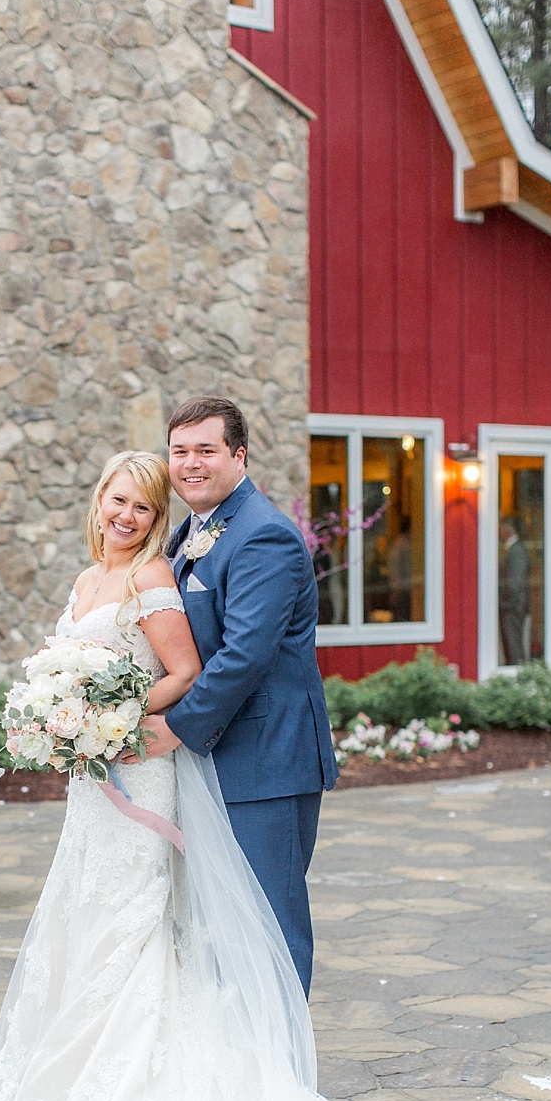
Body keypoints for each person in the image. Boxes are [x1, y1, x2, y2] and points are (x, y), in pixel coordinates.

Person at [0, 447, 447, 1101]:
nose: (129, 515)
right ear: (98, 499)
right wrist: (58, 721)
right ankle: (84, 1080)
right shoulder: (100, 577)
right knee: (93, 916)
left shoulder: (173, 569)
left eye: (144, 506)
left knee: (162, 922)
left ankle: (258, 1091)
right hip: (97, 784)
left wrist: (110, 722)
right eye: (122, 498)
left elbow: (200, 664)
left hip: (145, 766)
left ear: (230, 460)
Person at [140, 395, 338, 996]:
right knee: (219, 922)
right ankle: (233, 1067)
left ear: (239, 455)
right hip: (217, 758)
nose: (191, 463)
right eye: (180, 451)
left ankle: (277, 1080)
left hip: (265, 759)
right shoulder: (189, 533)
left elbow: (245, 655)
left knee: (268, 921)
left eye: (207, 450)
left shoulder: (264, 536)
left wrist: (174, 726)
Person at [499, 516, 531, 664]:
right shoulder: (513, 550)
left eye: (501, 529)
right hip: (512, 605)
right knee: (510, 643)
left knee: (514, 643)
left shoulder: (517, 551)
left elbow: (516, 583)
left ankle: (517, 671)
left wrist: (506, 604)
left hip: (513, 606)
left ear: (507, 530)